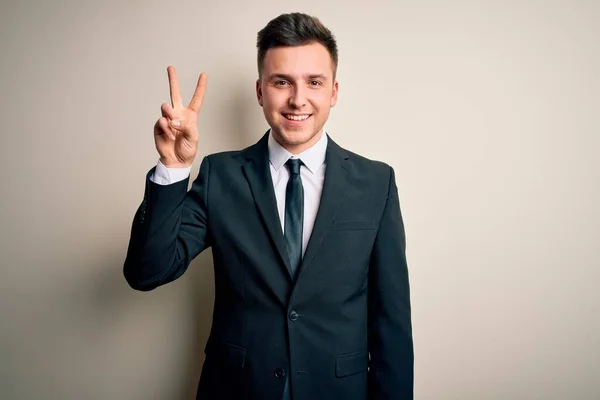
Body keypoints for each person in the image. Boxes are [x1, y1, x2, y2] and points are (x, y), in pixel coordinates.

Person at [124, 12, 413, 400]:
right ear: (260, 91)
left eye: (314, 82)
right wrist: (174, 168)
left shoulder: (376, 183)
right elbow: (147, 272)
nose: (298, 99)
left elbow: (391, 323)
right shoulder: (220, 176)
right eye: (281, 82)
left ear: (334, 92)